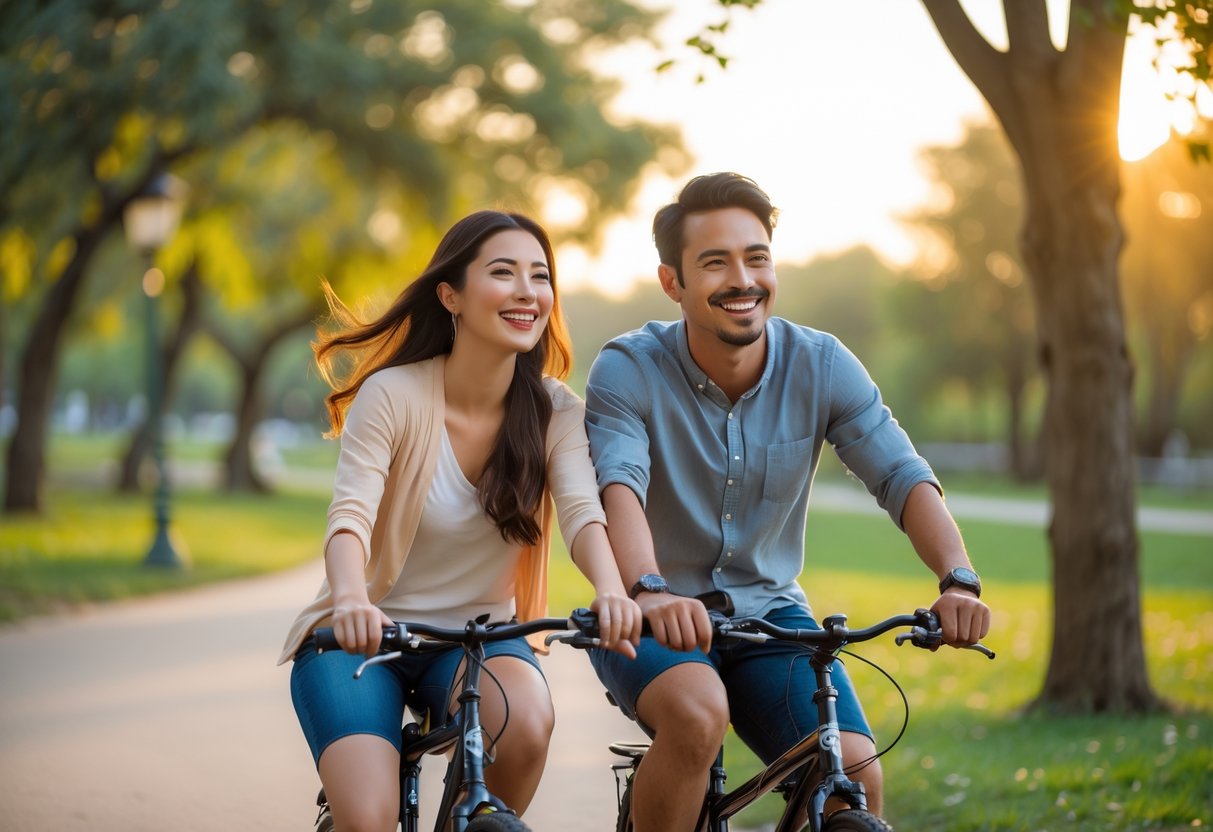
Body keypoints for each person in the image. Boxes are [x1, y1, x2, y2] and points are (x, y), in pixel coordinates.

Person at [584, 172, 991, 830]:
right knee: (696, 714)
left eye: (756, 257)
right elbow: (618, 486)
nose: (741, 279)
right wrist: (649, 589)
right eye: (714, 262)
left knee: (852, 773)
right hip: (649, 615)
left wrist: (958, 579)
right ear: (672, 283)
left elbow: (899, 474)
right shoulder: (628, 368)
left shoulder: (821, 365)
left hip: (769, 615)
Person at [279, 210, 642, 831]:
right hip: (362, 638)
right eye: (503, 273)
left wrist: (612, 588)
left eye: (540, 275)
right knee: (368, 819)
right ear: (451, 294)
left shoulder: (555, 409)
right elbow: (350, 518)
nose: (528, 292)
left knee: (526, 724)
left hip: (478, 641)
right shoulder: (393, 395)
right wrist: (348, 601)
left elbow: (584, 515)